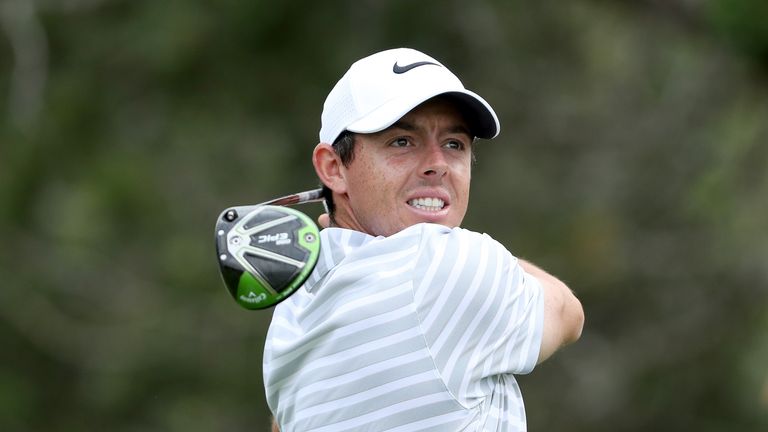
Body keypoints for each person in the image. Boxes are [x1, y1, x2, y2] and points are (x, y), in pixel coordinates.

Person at [263, 47, 584, 432]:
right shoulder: (446, 264)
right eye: (402, 141)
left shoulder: (292, 311)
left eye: (454, 144)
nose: (438, 163)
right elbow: (568, 313)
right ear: (333, 168)